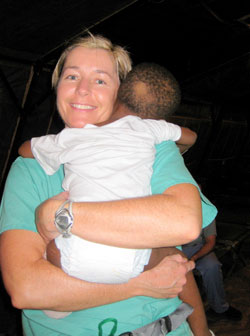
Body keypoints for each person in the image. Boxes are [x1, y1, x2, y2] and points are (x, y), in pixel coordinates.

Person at [0, 34, 217, 336]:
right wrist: (140, 284)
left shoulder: (158, 152)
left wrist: (58, 214)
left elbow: (185, 223)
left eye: (100, 80)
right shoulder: (29, 170)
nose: (82, 89)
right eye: (71, 76)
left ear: (120, 93)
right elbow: (27, 289)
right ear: (57, 86)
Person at [18, 62, 197, 289]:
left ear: (118, 90)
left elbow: (25, 150)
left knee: (50, 246)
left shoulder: (75, 135)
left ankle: (64, 302)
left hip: (74, 256)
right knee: (169, 252)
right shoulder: (151, 129)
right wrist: (173, 141)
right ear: (158, 116)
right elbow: (191, 137)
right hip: (133, 260)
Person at [182, 219, 242, 323]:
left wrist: (194, 258)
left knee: (212, 265)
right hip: (172, 248)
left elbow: (210, 241)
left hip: (197, 247)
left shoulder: (205, 208)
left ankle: (219, 308)